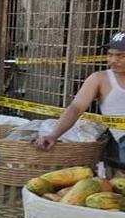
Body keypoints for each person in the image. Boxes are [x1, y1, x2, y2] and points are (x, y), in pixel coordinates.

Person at [35, 31, 125, 161]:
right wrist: (54, 135)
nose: (113, 60)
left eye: (120, 56)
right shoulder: (100, 79)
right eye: (110, 55)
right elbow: (76, 108)